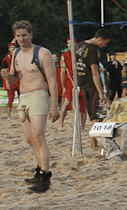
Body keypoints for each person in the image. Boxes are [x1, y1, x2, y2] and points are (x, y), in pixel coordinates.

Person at [1, 21, 59, 192]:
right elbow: (15, 78)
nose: (22, 39)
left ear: (31, 34)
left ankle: (45, 177)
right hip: (23, 96)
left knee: (38, 134)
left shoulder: (42, 53)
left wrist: (54, 105)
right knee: (30, 138)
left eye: (24, 35)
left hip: (39, 94)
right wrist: (7, 76)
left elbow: (52, 80)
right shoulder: (16, 54)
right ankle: (40, 169)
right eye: (18, 36)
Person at [77, 29, 111, 131]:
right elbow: (95, 73)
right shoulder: (92, 50)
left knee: (92, 114)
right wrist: (101, 92)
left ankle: (94, 140)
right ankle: (94, 140)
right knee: (97, 114)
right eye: (105, 43)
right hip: (92, 85)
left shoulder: (81, 45)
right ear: (100, 39)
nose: (105, 46)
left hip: (83, 83)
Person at [58, 38, 84, 131]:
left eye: (72, 43)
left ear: (76, 44)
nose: (70, 44)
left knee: (82, 104)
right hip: (69, 82)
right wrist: (63, 86)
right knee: (66, 102)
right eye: (68, 43)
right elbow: (62, 72)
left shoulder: (81, 54)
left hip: (81, 81)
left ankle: (83, 127)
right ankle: (61, 124)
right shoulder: (64, 55)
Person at [2, 41, 20, 120]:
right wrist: (7, 82)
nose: (13, 49)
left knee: (21, 97)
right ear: (9, 49)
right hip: (9, 79)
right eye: (11, 47)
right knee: (11, 98)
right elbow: (4, 72)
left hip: (18, 79)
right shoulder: (6, 59)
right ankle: (9, 115)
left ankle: (22, 114)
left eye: (14, 47)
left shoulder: (19, 57)